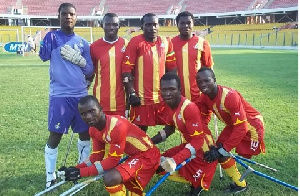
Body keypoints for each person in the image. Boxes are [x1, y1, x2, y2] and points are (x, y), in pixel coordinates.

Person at [59, 95, 160, 196]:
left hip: (148, 156)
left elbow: (112, 161)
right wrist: (75, 169)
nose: (88, 116)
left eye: (92, 111)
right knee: (111, 177)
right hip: (134, 156)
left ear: (101, 109)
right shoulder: (93, 129)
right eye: (83, 114)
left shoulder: (116, 126)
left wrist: (80, 173)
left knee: (110, 178)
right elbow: (96, 157)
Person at [39, 3, 94, 188]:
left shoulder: (83, 43)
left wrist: (80, 60)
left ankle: (81, 171)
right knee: (55, 135)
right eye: (64, 14)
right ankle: (50, 176)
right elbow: (43, 56)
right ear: (59, 16)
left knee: (85, 134)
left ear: (76, 17)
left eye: (71, 14)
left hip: (80, 95)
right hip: (60, 96)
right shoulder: (52, 37)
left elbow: (90, 70)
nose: (68, 17)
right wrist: (45, 39)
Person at [196, 67, 265, 193]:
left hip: (251, 125)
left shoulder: (229, 96)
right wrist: (204, 133)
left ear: (215, 80)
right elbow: (205, 115)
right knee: (217, 150)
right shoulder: (205, 96)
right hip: (234, 125)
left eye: (206, 80)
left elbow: (242, 127)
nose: (203, 84)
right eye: (199, 82)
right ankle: (240, 183)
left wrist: (224, 148)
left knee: (225, 150)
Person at [151, 73, 217, 196]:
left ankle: (197, 183)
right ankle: (192, 178)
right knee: (156, 165)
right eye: (164, 90)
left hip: (205, 153)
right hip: (190, 146)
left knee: (167, 166)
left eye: (172, 89)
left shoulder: (188, 108)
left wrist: (175, 160)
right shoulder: (170, 105)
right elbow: (169, 129)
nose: (167, 93)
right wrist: (149, 142)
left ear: (179, 90)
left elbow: (198, 140)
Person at [122, 13, 177, 132]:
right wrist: (131, 93)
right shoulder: (136, 42)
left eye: (155, 24)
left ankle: (152, 144)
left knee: (173, 124)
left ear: (159, 26)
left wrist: (175, 90)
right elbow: (126, 71)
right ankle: (143, 149)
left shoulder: (166, 42)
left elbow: (172, 69)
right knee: (139, 131)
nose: (152, 28)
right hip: (142, 99)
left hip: (163, 97)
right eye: (148, 25)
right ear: (142, 26)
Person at [172, 11, 214, 108]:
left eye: (188, 23)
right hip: (177, 95)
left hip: (198, 94)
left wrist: (211, 90)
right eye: (182, 23)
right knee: (178, 122)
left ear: (193, 24)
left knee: (199, 122)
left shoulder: (203, 43)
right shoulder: (170, 43)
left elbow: (209, 69)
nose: (185, 26)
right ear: (177, 25)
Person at [89, 13, 127, 116]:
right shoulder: (94, 47)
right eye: (108, 24)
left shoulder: (126, 45)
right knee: (100, 131)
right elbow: (91, 72)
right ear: (102, 25)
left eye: (115, 24)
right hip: (100, 100)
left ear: (119, 26)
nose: (111, 27)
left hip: (121, 101)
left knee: (119, 131)